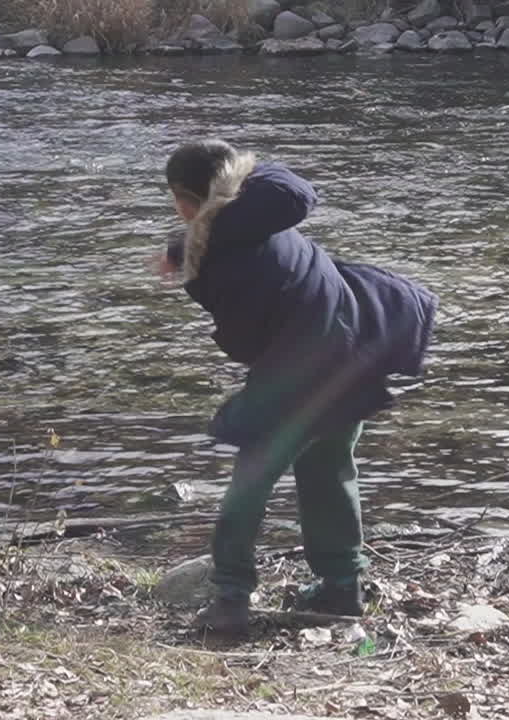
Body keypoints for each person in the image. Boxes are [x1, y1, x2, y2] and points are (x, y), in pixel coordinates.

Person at [157, 139, 438, 636]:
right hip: (353, 356)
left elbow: (241, 340)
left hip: (300, 372)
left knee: (251, 481)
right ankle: (341, 588)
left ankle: (230, 597)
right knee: (329, 469)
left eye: (174, 198)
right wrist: (190, 241)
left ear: (185, 199)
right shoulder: (262, 217)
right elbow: (276, 198)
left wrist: (188, 252)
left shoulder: (218, 261)